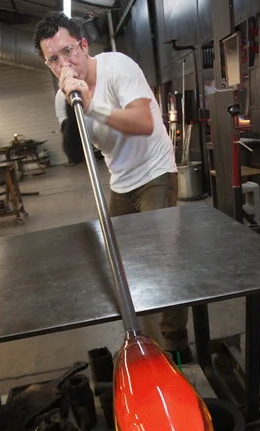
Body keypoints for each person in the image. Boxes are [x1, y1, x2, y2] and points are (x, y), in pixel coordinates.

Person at [34, 12, 192, 363]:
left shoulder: (117, 67)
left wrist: (92, 104)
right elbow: (75, 154)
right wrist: (74, 103)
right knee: (125, 265)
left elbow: (144, 122)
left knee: (165, 259)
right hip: (120, 180)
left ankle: (178, 345)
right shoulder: (64, 99)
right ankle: (146, 347)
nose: (65, 63)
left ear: (84, 46)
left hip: (154, 170)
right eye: (54, 59)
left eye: (69, 51)